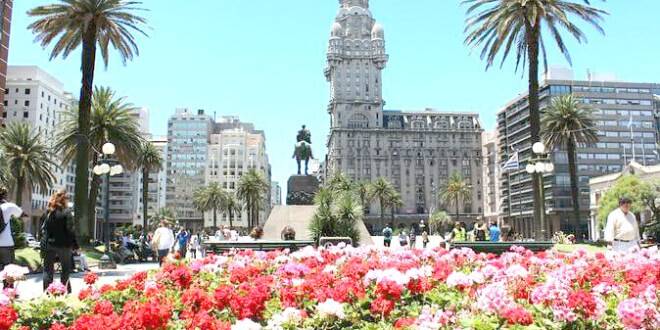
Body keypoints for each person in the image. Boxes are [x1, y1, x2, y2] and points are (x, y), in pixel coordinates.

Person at [41, 190, 78, 293]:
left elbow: (43, 228)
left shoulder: (48, 212)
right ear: (64, 200)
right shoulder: (66, 212)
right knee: (65, 269)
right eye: (67, 199)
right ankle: (64, 291)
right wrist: (75, 245)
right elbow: (70, 230)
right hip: (63, 245)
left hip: (49, 244)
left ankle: (47, 292)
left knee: (48, 270)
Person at [0, 186, 22, 287]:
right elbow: (20, 214)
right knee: (8, 270)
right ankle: (7, 295)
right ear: (5, 195)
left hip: (6, 244)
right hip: (6, 244)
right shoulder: (8, 206)